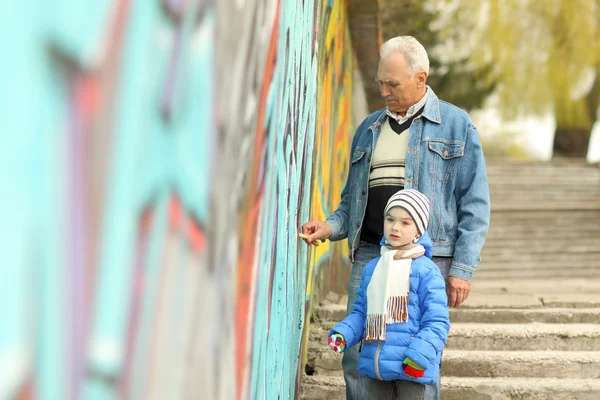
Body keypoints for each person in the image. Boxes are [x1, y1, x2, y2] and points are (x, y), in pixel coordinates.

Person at [301, 36, 490, 400]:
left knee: (418, 355)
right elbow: (351, 204)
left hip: (427, 261)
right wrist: (329, 226)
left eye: (393, 83)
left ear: (421, 78)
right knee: (359, 354)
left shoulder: (455, 125)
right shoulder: (368, 129)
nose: (384, 91)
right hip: (372, 256)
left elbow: (475, 203)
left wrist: (462, 270)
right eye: (380, 83)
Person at [327, 189, 449, 400]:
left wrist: (418, 357)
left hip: (411, 367)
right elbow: (361, 313)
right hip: (377, 367)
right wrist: (344, 333)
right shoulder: (373, 268)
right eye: (390, 219)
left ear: (419, 231)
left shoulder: (426, 271)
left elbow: (437, 322)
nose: (395, 227)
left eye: (405, 222)